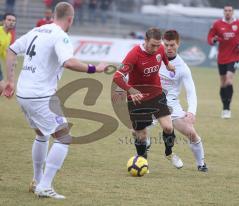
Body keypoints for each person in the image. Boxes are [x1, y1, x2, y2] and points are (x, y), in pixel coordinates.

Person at [4, 2, 106, 199]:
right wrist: (95, 69)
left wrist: (9, 80)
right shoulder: (61, 35)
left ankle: (37, 180)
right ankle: (45, 185)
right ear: (70, 18)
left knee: (42, 134)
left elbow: (11, 50)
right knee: (64, 137)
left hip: (24, 94)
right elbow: (69, 62)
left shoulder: (37, 30)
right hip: (41, 95)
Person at [112, 27, 180, 169]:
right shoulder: (134, 55)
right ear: (145, 41)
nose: (156, 48)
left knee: (168, 127)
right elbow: (117, 77)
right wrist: (130, 90)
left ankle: (169, 153)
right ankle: (143, 162)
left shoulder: (160, 49)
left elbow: (164, 57)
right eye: (152, 45)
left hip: (156, 94)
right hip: (137, 99)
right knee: (141, 135)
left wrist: (168, 65)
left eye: (158, 45)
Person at [158, 30, 208, 172]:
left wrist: (191, 111)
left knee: (191, 133)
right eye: (166, 44)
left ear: (178, 44)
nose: (169, 48)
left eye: (172, 45)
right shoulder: (155, 57)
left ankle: (201, 164)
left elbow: (191, 91)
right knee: (140, 132)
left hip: (170, 105)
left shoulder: (183, 67)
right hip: (150, 101)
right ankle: (142, 158)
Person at [207, 4, 239, 119]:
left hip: (235, 57)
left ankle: (227, 109)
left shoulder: (238, 23)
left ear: (233, 12)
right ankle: (224, 107)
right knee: (222, 83)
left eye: (230, 10)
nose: (227, 12)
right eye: (226, 10)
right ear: (223, 12)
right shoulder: (217, 24)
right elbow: (210, 38)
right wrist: (214, 39)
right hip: (222, 57)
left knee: (229, 80)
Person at [0, 12, 16, 95]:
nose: (11, 22)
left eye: (13, 20)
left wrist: (11, 61)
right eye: (9, 20)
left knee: (2, 89)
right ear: (3, 21)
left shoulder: (9, 35)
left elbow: (4, 53)